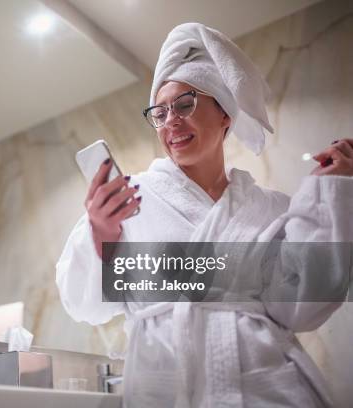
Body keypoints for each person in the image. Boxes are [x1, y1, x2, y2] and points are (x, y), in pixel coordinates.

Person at [56, 23, 353, 407]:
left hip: (266, 390)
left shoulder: (273, 209)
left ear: (226, 113)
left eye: (185, 105)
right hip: (167, 388)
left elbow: (302, 309)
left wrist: (330, 193)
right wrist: (100, 239)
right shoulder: (128, 202)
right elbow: (84, 306)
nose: (171, 122)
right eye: (159, 113)